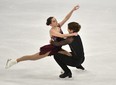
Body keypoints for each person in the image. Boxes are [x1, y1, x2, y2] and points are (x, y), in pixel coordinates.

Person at [5, 5, 80, 69]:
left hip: (58, 48)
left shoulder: (58, 26)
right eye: (54, 21)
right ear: (50, 24)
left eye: (55, 20)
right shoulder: (52, 31)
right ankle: (14, 61)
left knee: (69, 55)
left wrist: (72, 10)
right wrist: (72, 34)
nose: (56, 21)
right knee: (32, 57)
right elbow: (61, 35)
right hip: (51, 49)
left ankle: (64, 69)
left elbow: (66, 18)